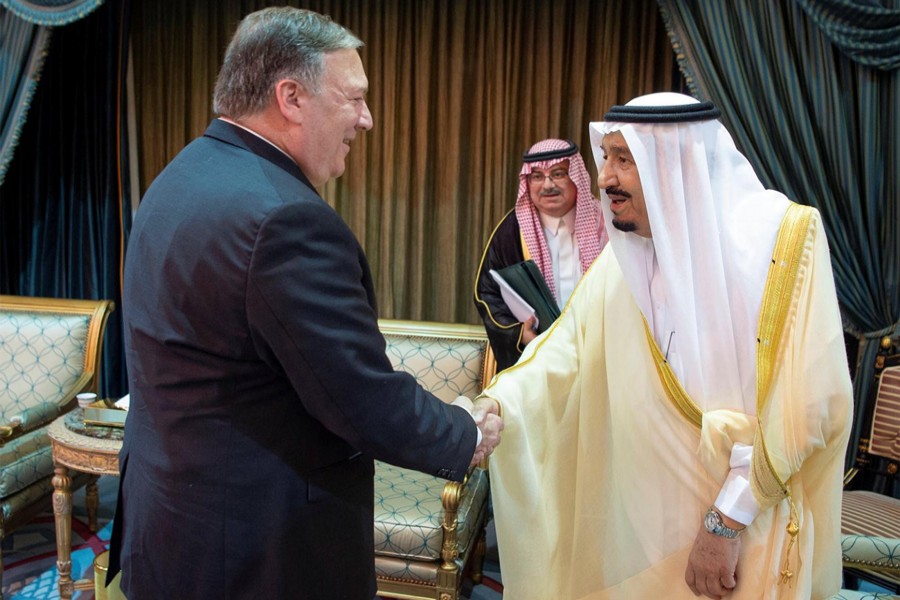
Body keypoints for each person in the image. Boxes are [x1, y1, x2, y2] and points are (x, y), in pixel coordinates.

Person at [107, 7, 501, 600]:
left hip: (168, 528)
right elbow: (356, 397)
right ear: (290, 96)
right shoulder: (285, 219)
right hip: (255, 549)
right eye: (355, 98)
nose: (367, 120)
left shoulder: (179, 176)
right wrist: (462, 433)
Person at [476, 93, 851, 599]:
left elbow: (809, 404)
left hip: (743, 535)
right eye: (604, 157)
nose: (603, 178)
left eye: (623, 159)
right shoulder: (621, 261)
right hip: (639, 536)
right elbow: (562, 354)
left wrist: (726, 523)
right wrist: (494, 404)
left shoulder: (781, 241)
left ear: (675, 162)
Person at [473, 139, 608, 371]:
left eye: (558, 174)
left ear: (575, 176)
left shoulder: (606, 224)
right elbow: (486, 292)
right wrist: (518, 332)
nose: (547, 185)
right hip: (538, 357)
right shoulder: (512, 230)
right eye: (537, 177)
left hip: (600, 353)